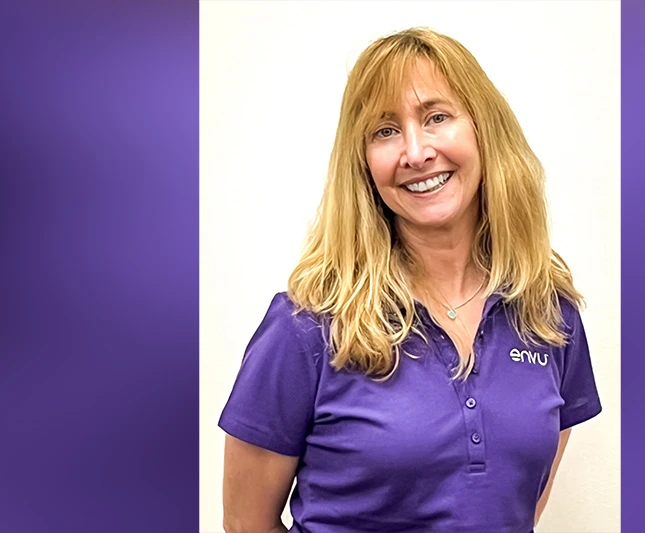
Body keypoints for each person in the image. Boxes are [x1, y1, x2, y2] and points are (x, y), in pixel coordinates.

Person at [219, 27, 601, 533]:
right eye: (385, 131)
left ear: (484, 130)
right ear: (363, 164)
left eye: (437, 117)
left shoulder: (548, 314)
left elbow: (514, 507)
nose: (416, 152)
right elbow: (247, 524)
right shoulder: (306, 325)